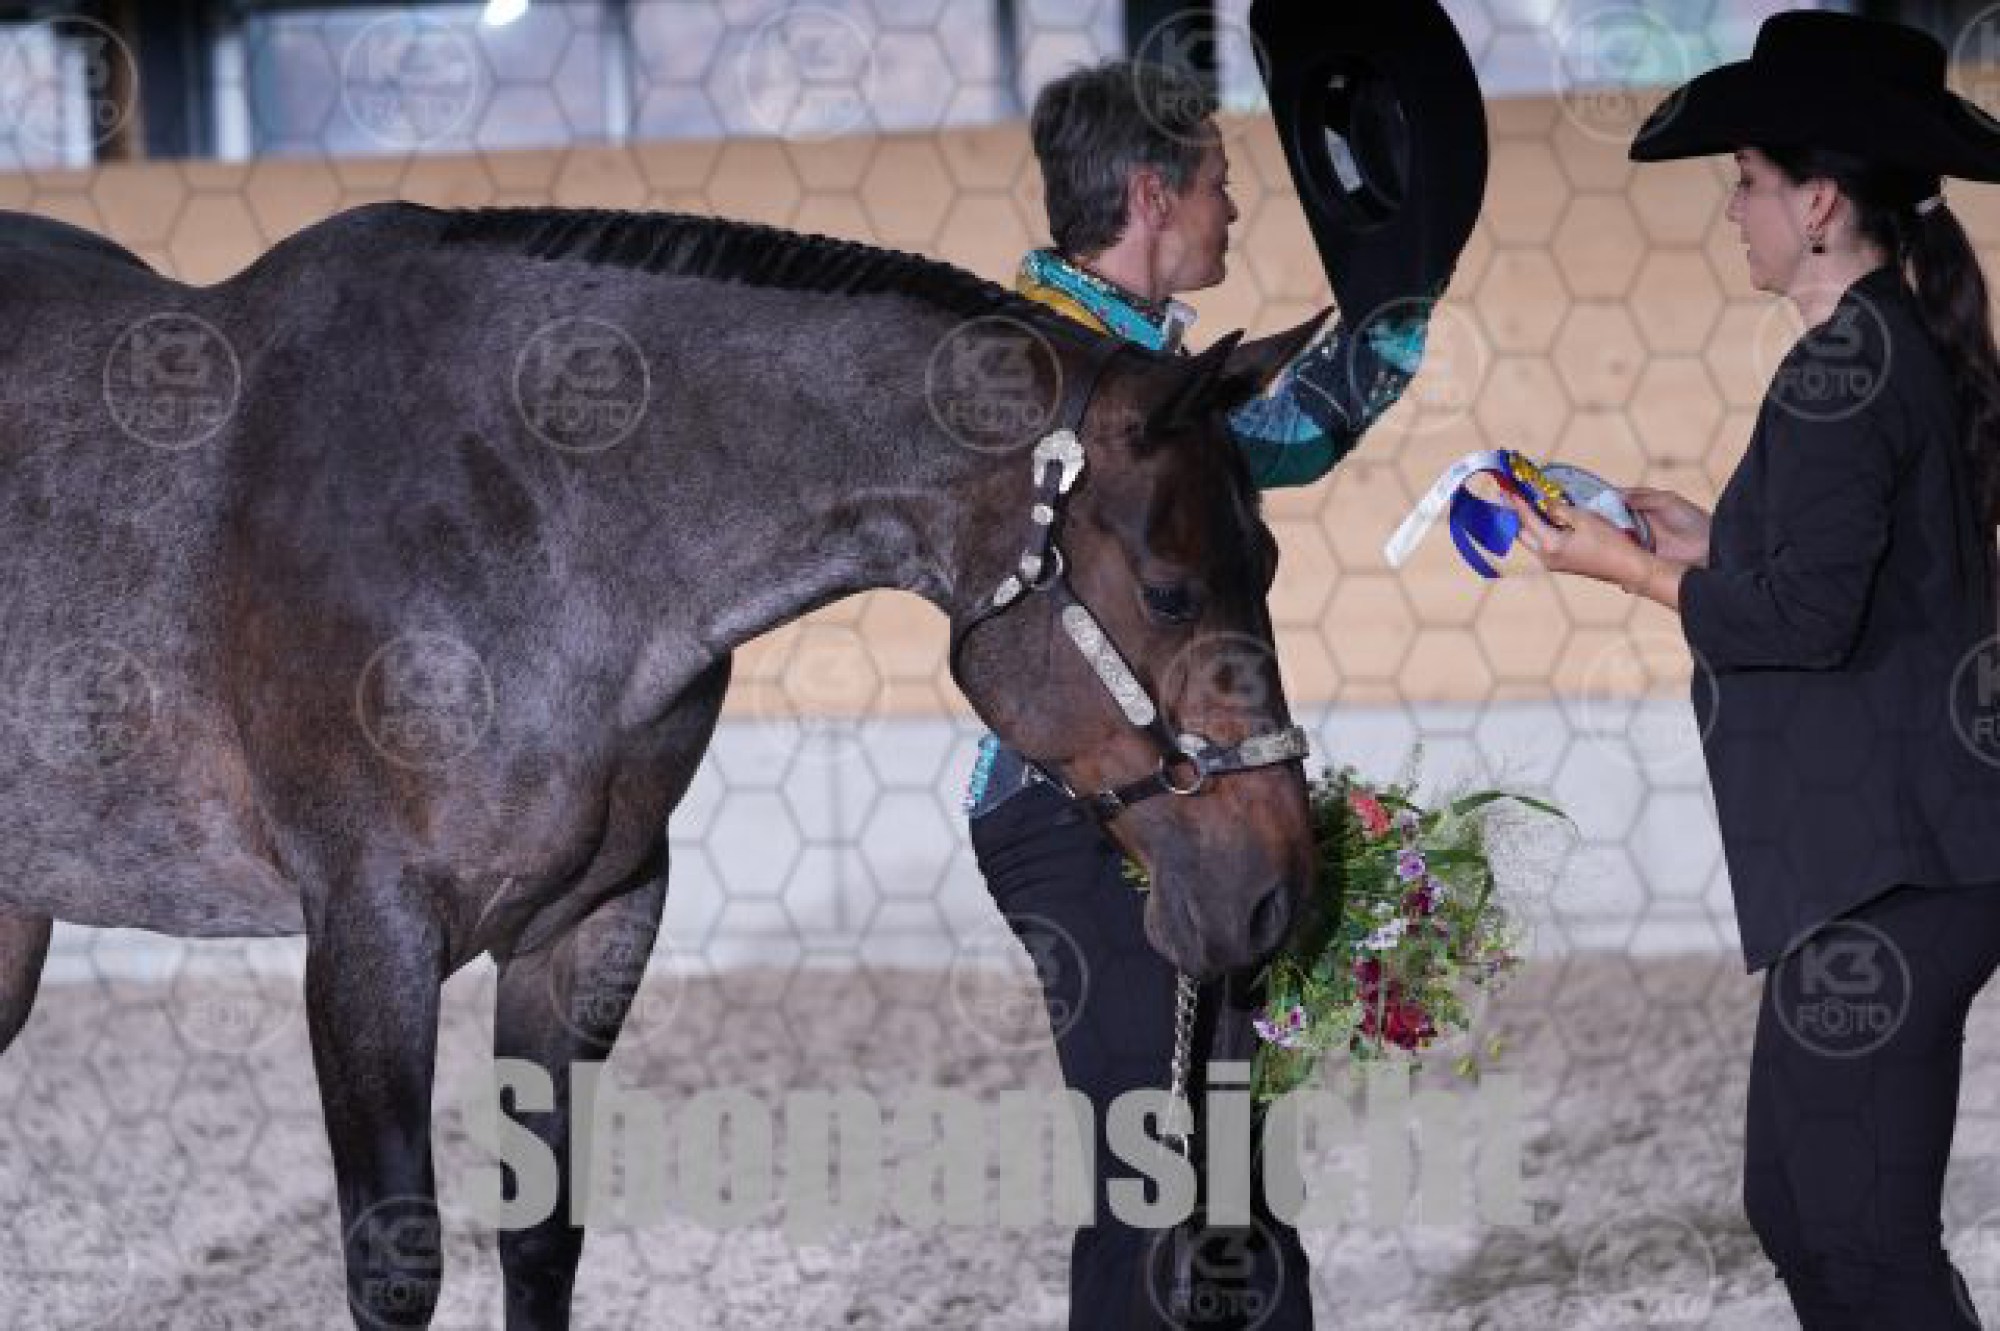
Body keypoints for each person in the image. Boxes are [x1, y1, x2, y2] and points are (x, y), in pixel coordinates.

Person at [1505, 11, 2000, 1326]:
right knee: (1796, 1205)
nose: (1733, 209)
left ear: (1818, 202)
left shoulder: (1852, 360)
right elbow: (1865, 574)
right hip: (1878, 862)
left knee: (1862, 1237)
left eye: (1747, 180)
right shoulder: (1881, 342)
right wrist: (1711, 541)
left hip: (1896, 865)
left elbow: (1804, 621)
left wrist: (1625, 567)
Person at [964, 58, 1436, 1329]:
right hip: (1075, 808)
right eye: (1219, 182)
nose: (1234, 206)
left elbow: (1291, 437)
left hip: (1176, 792)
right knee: (1154, 1171)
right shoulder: (1042, 366)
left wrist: (1401, 287)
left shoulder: (1137, 370)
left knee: (1228, 1166)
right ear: (1150, 194)